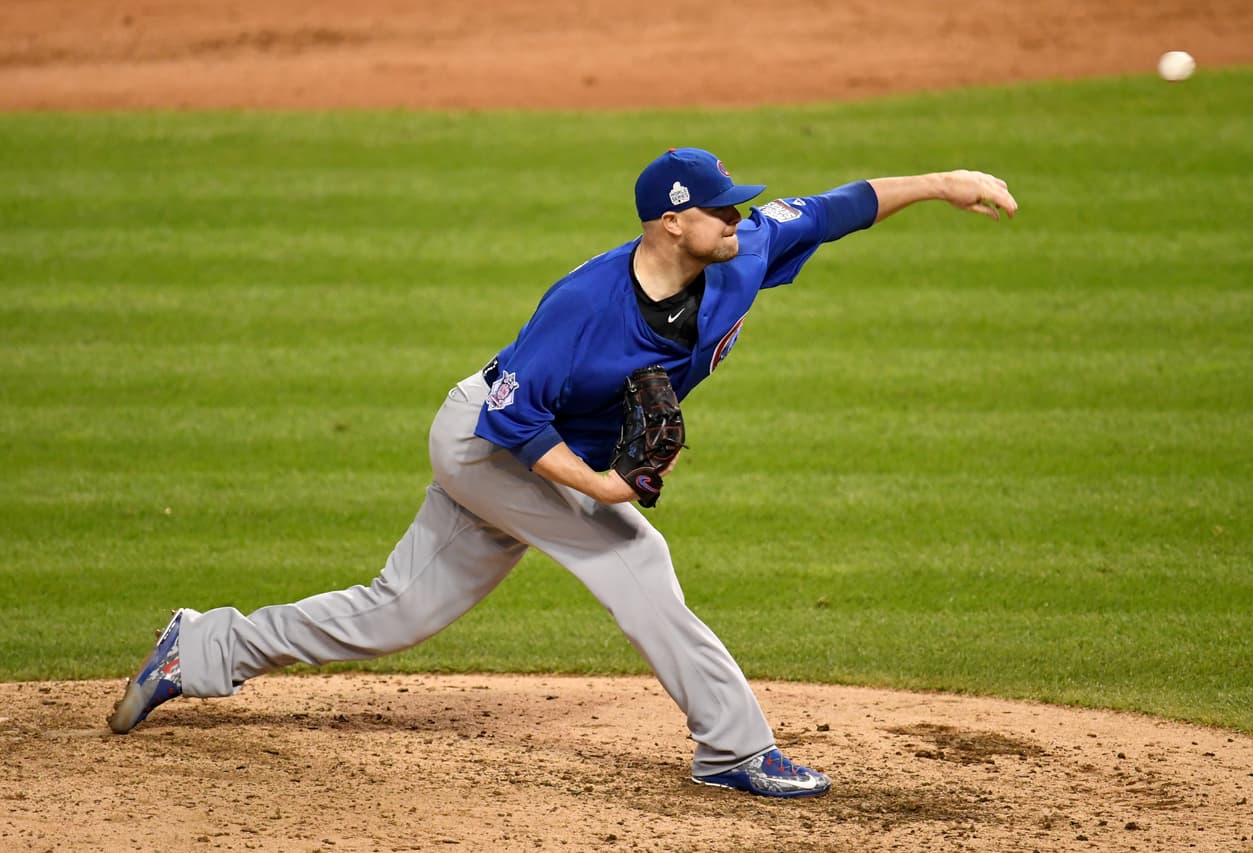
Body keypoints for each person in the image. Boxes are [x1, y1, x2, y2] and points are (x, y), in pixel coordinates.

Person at [109, 147, 1017, 798]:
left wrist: (944, 183)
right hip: (489, 442)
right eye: (723, 210)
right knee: (633, 554)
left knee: (397, 612)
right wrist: (605, 488)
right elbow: (514, 418)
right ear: (672, 221)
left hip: (538, 451)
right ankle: (735, 748)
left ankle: (203, 646)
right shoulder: (583, 306)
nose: (740, 220)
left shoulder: (742, 254)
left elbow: (838, 206)